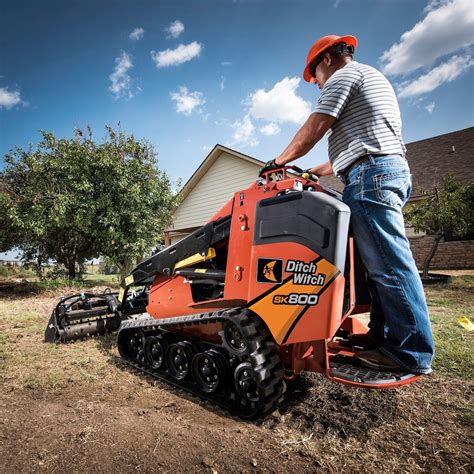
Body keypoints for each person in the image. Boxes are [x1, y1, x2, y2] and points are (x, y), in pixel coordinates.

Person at [259, 35, 434, 374]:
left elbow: (314, 128)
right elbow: (355, 148)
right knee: (374, 264)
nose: (317, 85)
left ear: (325, 61)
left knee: (389, 265)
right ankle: (383, 337)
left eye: (314, 78)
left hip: (371, 176)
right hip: (381, 170)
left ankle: (410, 352)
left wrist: (278, 162)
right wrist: (315, 170)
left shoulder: (343, 77)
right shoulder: (369, 77)